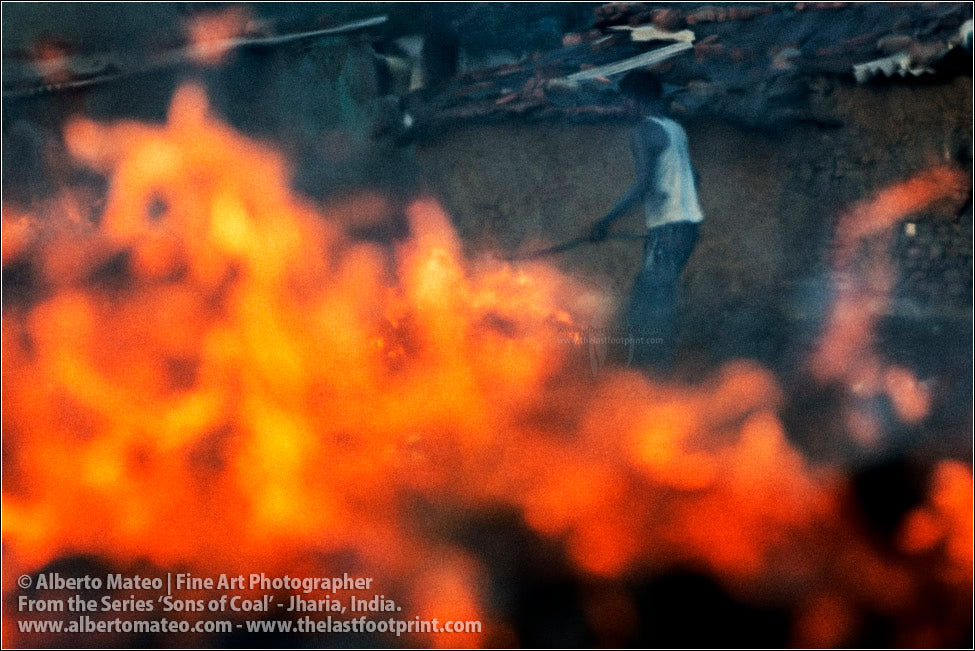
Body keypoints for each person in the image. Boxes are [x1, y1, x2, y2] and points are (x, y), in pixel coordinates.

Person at [588, 73, 704, 368]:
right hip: (687, 229)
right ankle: (655, 368)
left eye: (625, 100)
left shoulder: (642, 131)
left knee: (647, 304)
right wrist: (676, 201)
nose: (623, 107)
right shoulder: (676, 129)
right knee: (656, 296)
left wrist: (606, 221)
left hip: (668, 231)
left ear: (637, 101)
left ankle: (651, 373)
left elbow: (642, 185)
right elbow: (695, 177)